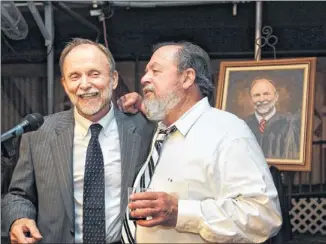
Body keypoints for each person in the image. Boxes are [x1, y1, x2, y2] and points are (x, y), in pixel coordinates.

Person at [118, 41, 282, 243]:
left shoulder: (228, 132)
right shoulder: (162, 129)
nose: (144, 79)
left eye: (156, 71)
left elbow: (263, 216)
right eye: (145, 72)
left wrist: (180, 212)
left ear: (187, 78)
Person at [1, 38, 155, 244]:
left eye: (94, 74)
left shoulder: (145, 128)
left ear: (114, 79)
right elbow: (18, 195)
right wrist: (18, 218)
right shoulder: (38, 133)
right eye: (74, 76)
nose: (84, 84)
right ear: (65, 84)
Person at [245, 77, 300, 159]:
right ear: (251, 99)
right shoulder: (244, 125)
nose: (262, 99)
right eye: (256, 95)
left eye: (266, 94)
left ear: (276, 96)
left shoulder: (289, 124)